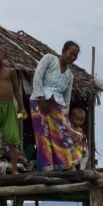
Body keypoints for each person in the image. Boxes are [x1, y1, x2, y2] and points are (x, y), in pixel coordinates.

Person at [31, 40, 85, 171]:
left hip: (58, 107)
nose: (73, 57)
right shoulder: (49, 59)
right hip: (39, 102)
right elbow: (37, 77)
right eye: (71, 53)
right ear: (64, 51)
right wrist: (41, 98)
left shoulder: (69, 75)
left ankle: (66, 164)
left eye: (75, 55)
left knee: (62, 136)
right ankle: (47, 169)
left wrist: (65, 113)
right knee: (43, 136)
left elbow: (67, 97)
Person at [0, 45, 27, 175]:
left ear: (4, 56)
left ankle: (14, 169)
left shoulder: (11, 72)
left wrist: (21, 106)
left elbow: (16, 91)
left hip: (9, 107)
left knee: (12, 139)